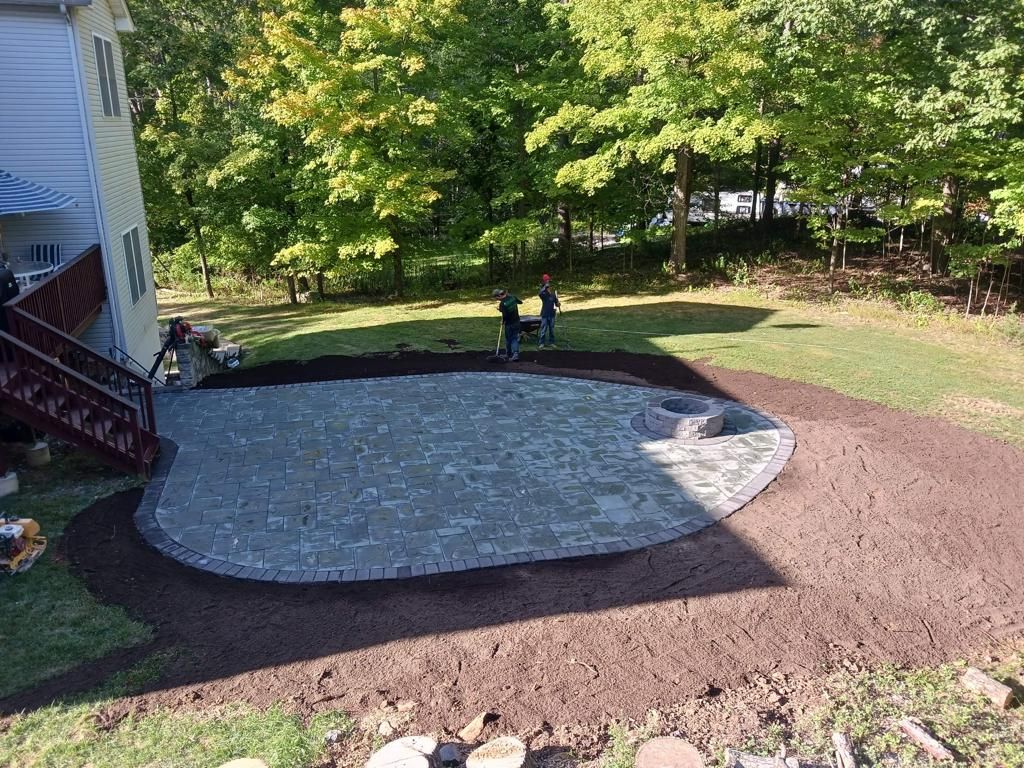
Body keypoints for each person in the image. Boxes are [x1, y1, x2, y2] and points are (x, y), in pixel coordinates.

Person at [492, 288, 522, 361]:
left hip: (509, 324)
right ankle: (511, 354)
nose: (497, 300)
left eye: (496, 298)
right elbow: (520, 302)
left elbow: (505, 315)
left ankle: (512, 354)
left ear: (498, 296)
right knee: (514, 338)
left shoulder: (502, 304)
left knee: (510, 339)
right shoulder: (512, 297)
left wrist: (503, 321)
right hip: (517, 321)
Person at [537, 274, 560, 348]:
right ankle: (541, 343)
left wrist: (558, 304)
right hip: (545, 314)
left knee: (551, 330)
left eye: (549, 287)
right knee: (543, 330)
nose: (549, 288)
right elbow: (539, 293)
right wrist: (544, 287)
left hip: (552, 314)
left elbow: (557, 304)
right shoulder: (543, 295)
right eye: (547, 288)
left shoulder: (553, 295)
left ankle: (551, 342)